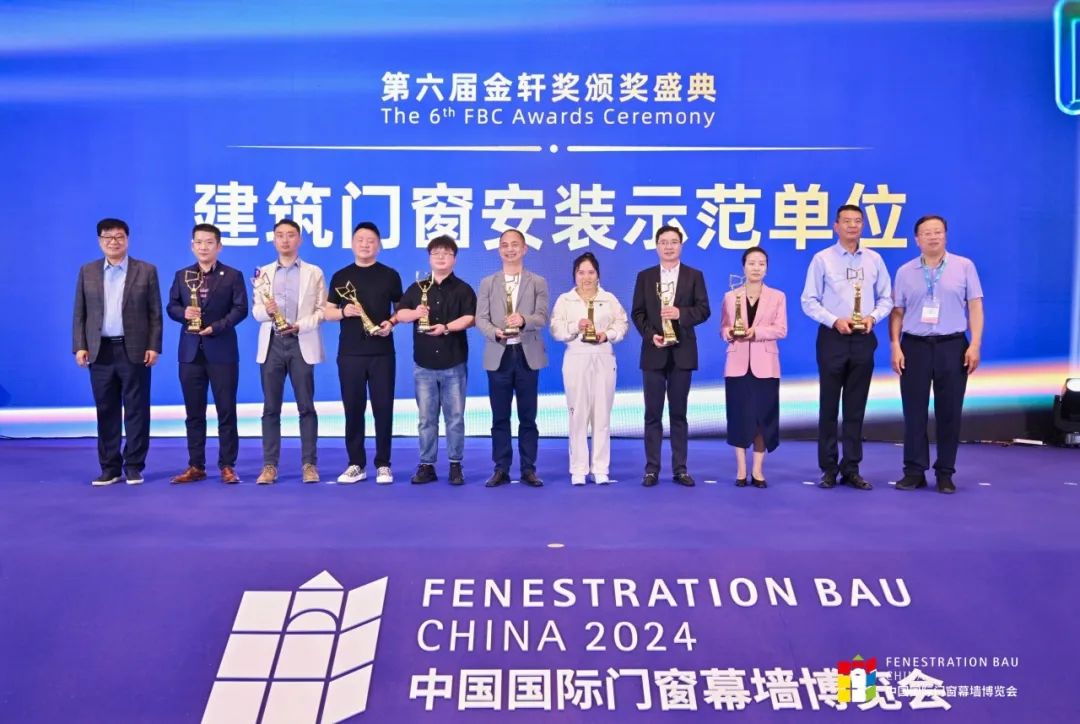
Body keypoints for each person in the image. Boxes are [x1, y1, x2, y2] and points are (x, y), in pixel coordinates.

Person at [800, 204, 893, 491]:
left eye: (857, 221)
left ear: (862, 226)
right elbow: (809, 300)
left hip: (863, 338)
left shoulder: (874, 259)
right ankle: (828, 468)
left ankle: (851, 467)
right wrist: (834, 321)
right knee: (829, 406)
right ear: (836, 226)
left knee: (856, 407)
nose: (853, 226)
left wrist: (872, 317)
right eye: (847, 221)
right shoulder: (822, 259)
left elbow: (887, 298)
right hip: (833, 337)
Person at [890, 215, 983, 494]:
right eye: (927, 233)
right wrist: (895, 345)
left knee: (950, 412)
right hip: (914, 346)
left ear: (946, 235)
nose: (933, 237)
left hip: (952, 346)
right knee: (914, 412)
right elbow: (897, 312)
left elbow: (975, 307)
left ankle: (945, 473)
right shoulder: (905, 271)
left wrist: (975, 344)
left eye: (938, 232)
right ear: (916, 239)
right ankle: (914, 471)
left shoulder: (964, 266)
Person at [72, 218, 162, 486]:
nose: (114, 241)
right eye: (108, 237)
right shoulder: (87, 271)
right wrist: (80, 345)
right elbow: (80, 313)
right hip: (99, 351)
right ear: (100, 241)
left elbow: (155, 314)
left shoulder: (146, 270)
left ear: (127, 239)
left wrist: (153, 346)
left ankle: (134, 465)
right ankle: (109, 467)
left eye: (119, 236)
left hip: (134, 349)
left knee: (137, 410)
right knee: (106, 410)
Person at [166, 223, 248, 484]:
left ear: (219, 246)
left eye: (209, 242)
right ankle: (196, 465)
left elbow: (240, 309)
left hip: (222, 352)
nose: (204, 247)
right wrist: (184, 313)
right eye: (199, 242)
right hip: (190, 353)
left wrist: (217, 327)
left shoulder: (232, 275)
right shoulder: (182, 275)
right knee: (194, 413)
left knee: (226, 411)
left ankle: (227, 466)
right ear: (192, 246)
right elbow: (171, 306)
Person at [631, 224, 711, 487]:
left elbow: (704, 310)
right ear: (656, 246)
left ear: (681, 246)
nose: (668, 246)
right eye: (663, 242)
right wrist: (650, 335)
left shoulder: (694, 275)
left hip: (682, 353)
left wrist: (680, 314)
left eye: (674, 242)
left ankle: (680, 469)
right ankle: (651, 469)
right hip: (653, 352)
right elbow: (638, 313)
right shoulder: (645, 277)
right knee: (652, 414)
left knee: (679, 414)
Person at [325, 222, 403, 485]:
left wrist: (391, 323)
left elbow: (401, 310)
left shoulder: (390, 275)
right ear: (352, 244)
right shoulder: (340, 276)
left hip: (382, 353)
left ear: (378, 245)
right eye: (360, 240)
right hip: (350, 353)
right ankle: (356, 463)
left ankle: (384, 464)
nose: (365, 244)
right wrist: (343, 312)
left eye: (371, 240)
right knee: (353, 409)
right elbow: (327, 312)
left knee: (383, 408)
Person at [395, 235, 476, 485]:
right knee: (426, 419)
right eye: (436, 253)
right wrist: (416, 312)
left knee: (455, 418)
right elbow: (400, 314)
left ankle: (455, 464)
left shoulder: (463, 289)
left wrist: (446, 327)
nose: (441, 257)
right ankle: (426, 465)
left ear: (454, 258)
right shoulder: (417, 287)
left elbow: (471, 318)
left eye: (446, 253)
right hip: (424, 364)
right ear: (429, 258)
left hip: (454, 362)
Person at [252, 219, 326, 484]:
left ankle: (309, 465)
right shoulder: (262, 273)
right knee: (270, 408)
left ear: (300, 240)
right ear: (274, 240)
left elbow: (321, 311)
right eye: (280, 235)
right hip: (272, 344)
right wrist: (267, 311)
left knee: (306, 407)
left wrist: (300, 325)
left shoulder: (314, 272)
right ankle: (269, 466)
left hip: (300, 342)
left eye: (291, 235)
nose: (285, 240)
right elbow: (256, 311)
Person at [475, 229, 549, 488]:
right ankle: (501, 468)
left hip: (527, 355)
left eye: (515, 245)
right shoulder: (488, 283)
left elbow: (542, 317)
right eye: (505, 245)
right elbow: (480, 318)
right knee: (500, 417)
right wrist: (494, 332)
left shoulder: (537, 281)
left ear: (524, 249)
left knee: (528, 417)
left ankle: (529, 469)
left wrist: (524, 320)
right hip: (499, 354)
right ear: (499, 250)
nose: (510, 249)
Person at [550, 252, 629, 485]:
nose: (586, 277)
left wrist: (608, 334)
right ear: (574, 275)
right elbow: (556, 329)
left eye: (591, 272)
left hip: (603, 357)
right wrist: (576, 326)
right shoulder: (565, 300)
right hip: (576, 358)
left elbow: (622, 323)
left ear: (598, 274)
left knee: (602, 414)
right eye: (581, 272)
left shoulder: (608, 298)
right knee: (578, 415)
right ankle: (578, 469)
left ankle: (600, 468)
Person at [720, 247, 787, 488]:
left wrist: (755, 332)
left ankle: (758, 470)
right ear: (743, 267)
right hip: (737, 365)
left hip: (766, 365)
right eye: (751, 263)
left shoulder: (777, 296)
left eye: (761, 263)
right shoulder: (730, 296)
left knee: (763, 418)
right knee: (739, 416)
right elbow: (723, 328)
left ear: (766, 268)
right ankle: (741, 470)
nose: (756, 268)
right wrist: (730, 333)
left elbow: (781, 329)